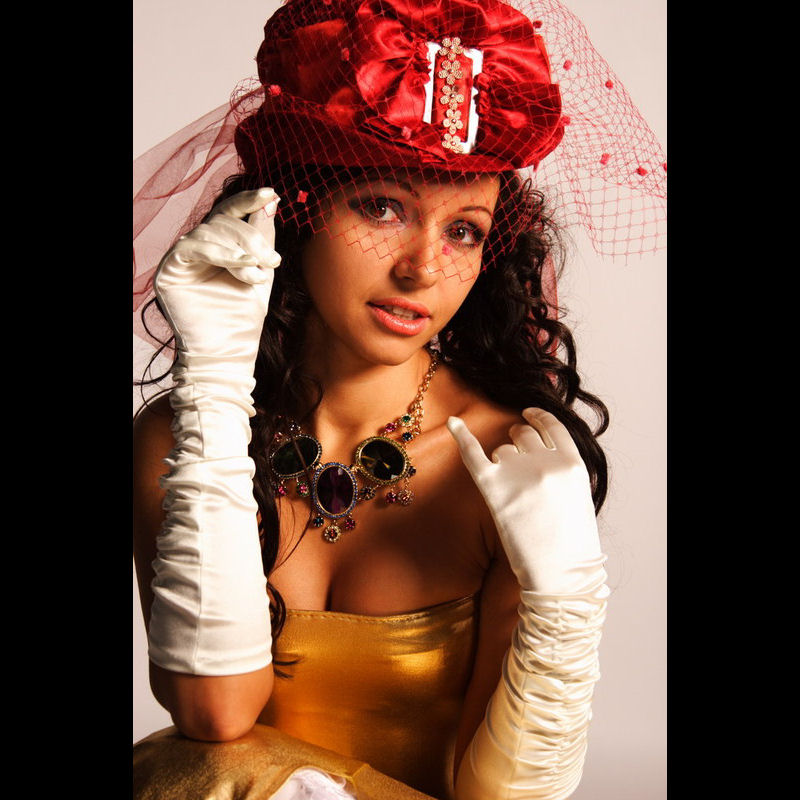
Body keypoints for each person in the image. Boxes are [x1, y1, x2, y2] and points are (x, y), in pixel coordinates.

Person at [132, 1, 666, 798]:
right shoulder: (183, 437)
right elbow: (214, 715)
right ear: (296, 207)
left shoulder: (508, 464)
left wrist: (565, 599)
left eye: (464, 231)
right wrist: (213, 388)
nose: (423, 269)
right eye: (383, 207)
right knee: (201, 762)